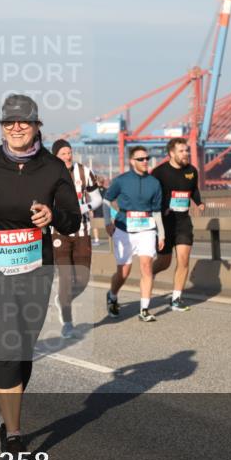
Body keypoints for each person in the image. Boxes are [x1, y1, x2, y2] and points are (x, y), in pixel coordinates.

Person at [0, 94, 80, 453]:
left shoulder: (54, 167)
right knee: (9, 341)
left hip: (34, 267)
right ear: (1, 127)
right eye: (8, 122)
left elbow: (73, 220)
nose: (15, 128)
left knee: (24, 347)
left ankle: (3, 418)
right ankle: (13, 434)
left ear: (37, 125)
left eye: (23, 122)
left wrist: (53, 216)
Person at [103, 146, 165, 322]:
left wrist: (161, 234)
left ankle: (144, 310)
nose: (145, 161)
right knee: (124, 272)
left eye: (147, 158)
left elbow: (157, 211)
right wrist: (107, 222)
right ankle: (112, 295)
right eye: (141, 159)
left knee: (147, 266)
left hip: (147, 229)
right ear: (132, 161)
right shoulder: (121, 180)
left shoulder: (154, 183)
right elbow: (107, 201)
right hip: (124, 228)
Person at [49, 139, 102, 338]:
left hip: (82, 231)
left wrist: (82, 208)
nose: (68, 156)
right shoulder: (49, 175)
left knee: (82, 278)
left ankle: (63, 300)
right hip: (59, 232)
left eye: (69, 152)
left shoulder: (85, 172)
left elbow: (97, 199)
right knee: (65, 277)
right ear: (56, 156)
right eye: (63, 153)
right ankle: (68, 322)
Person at [151, 138, 205, 311]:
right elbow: (151, 195)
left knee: (183, 259)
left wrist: (199, 202)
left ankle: (176, 299)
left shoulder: (191, 171)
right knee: (165, 262)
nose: (185, 154)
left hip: (183, 221)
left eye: (186, 150)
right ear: (171, 154)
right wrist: (161, 208)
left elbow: (193, 189)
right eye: (181, 151)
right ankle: (148, 274)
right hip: (165, 223)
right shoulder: (159, 172)